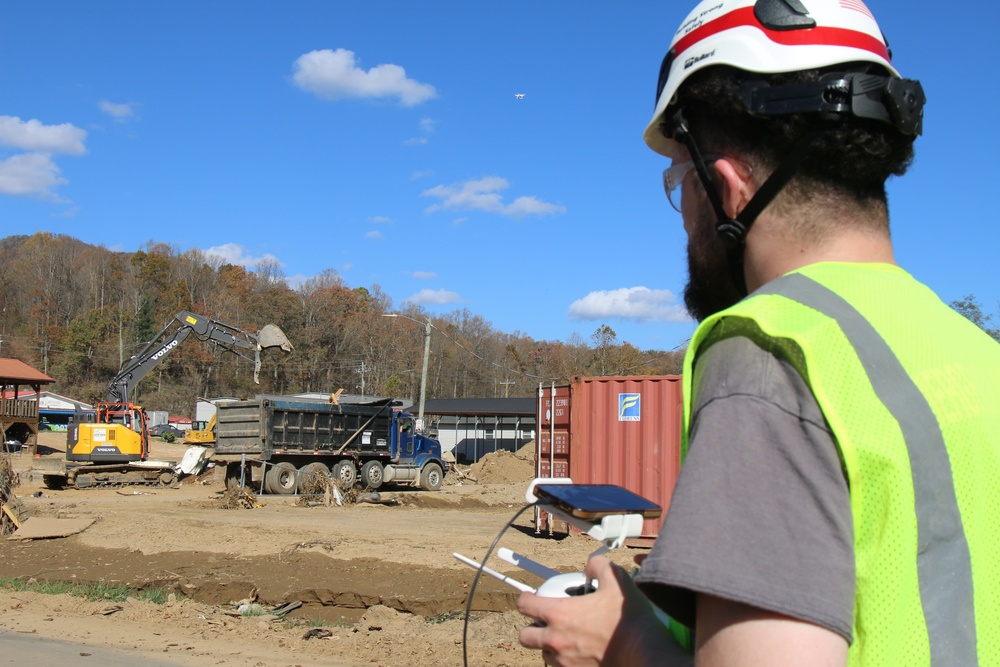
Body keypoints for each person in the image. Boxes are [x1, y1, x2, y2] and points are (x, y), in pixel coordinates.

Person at [517, 0, 1000, 665]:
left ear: (728, 185)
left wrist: (624, 643)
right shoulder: (974, 351)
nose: (683, 214)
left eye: (680, 181)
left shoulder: (772, 352)